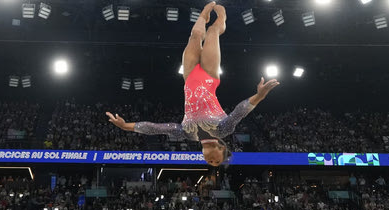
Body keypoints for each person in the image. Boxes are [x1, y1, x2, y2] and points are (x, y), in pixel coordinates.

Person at [106, 2, 279, 167]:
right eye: (216, 161)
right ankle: (222, 20)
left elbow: (155, 128)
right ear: (222, 149)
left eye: (208, 162)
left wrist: (125, 126)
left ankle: (204, 14)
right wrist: (259, 96)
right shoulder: (223, 131)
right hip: (210, 77)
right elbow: (239, 112)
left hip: (189, 77)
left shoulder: (187, 134)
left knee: (195, 36)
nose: (211, 161)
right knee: (211, 32)